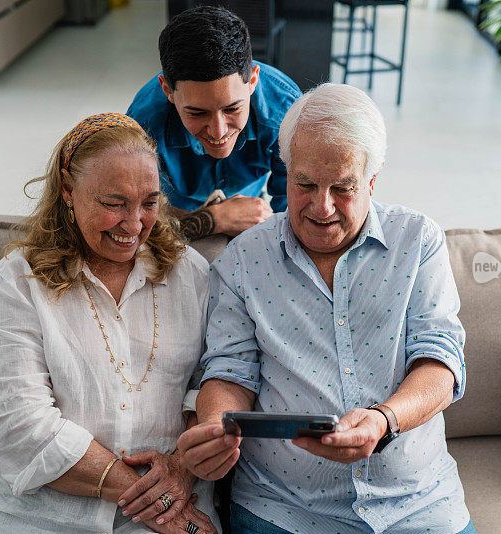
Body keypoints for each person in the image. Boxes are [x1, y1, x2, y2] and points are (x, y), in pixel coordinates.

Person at [176, 85, 476, 534]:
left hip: (417, 503)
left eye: (343, 188)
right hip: (282, 508)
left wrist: (383, 421)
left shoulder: (418, 242)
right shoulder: (241, 260)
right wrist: (216, 429)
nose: (322, 206)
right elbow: (230, 370)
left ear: (372, 181)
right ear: (286, 172)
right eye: (306, 185)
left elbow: (442, 360)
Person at [0, 113, 218, 534]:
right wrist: (159, 504)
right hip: (44, 515)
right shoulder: (20, 280)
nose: (135, 224)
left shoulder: (190, 272)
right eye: (113, 204)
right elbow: (20, 427)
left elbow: (212, 386)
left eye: (149, 202)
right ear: (68, 190)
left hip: (181, 495)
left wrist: (180, 468)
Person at [127, 6, 301, 241]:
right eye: (197, 113)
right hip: (175, 210)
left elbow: (294, 215)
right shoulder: (143, 125)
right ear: (167, 90)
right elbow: (136, 227)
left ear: (252, 81)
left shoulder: (285, 113)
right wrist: (216, 219)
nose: (219, 132)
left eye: (232, 109)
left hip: (249, 202)